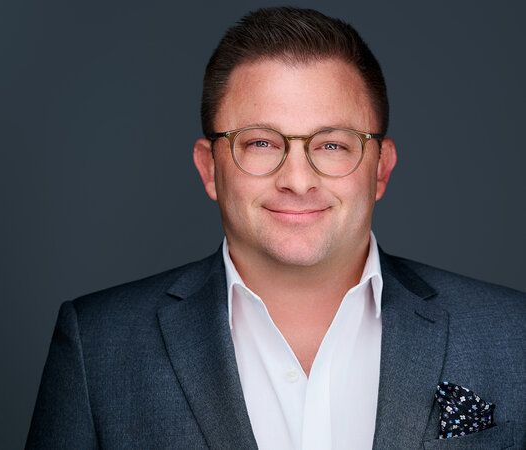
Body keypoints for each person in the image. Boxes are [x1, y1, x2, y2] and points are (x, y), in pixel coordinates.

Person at [27, 7, 525, 449]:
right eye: (261, 143)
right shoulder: (98, 347)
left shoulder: (513, 334)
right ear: (209, 168)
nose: (297, 180)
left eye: (333, 144)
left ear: (380, 169)